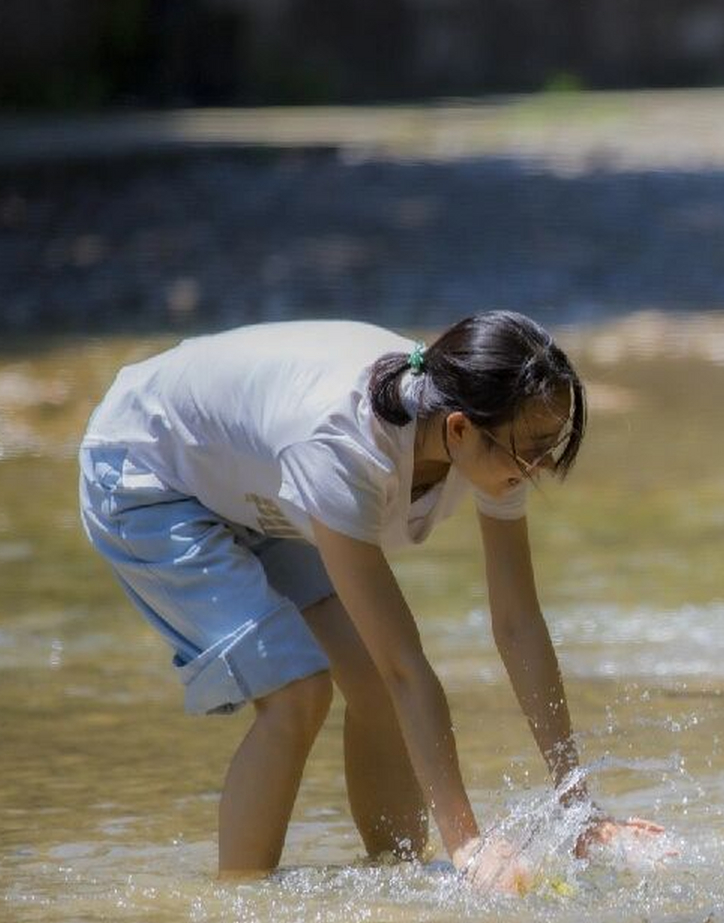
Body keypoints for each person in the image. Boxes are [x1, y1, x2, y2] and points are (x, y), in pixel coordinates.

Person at [78, 310, 658, 891]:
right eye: (532, 451)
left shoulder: (483, 435)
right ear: (459, 429)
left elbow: (518, 625)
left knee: (375, 692)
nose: (542, 469)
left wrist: (579, 810)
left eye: (550, 447)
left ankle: (394, 879)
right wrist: (471, 846)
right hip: (147, 473)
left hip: (250, 481)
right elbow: (407, 666)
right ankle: (239, 914)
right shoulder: (346, 448)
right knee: (298, 693)